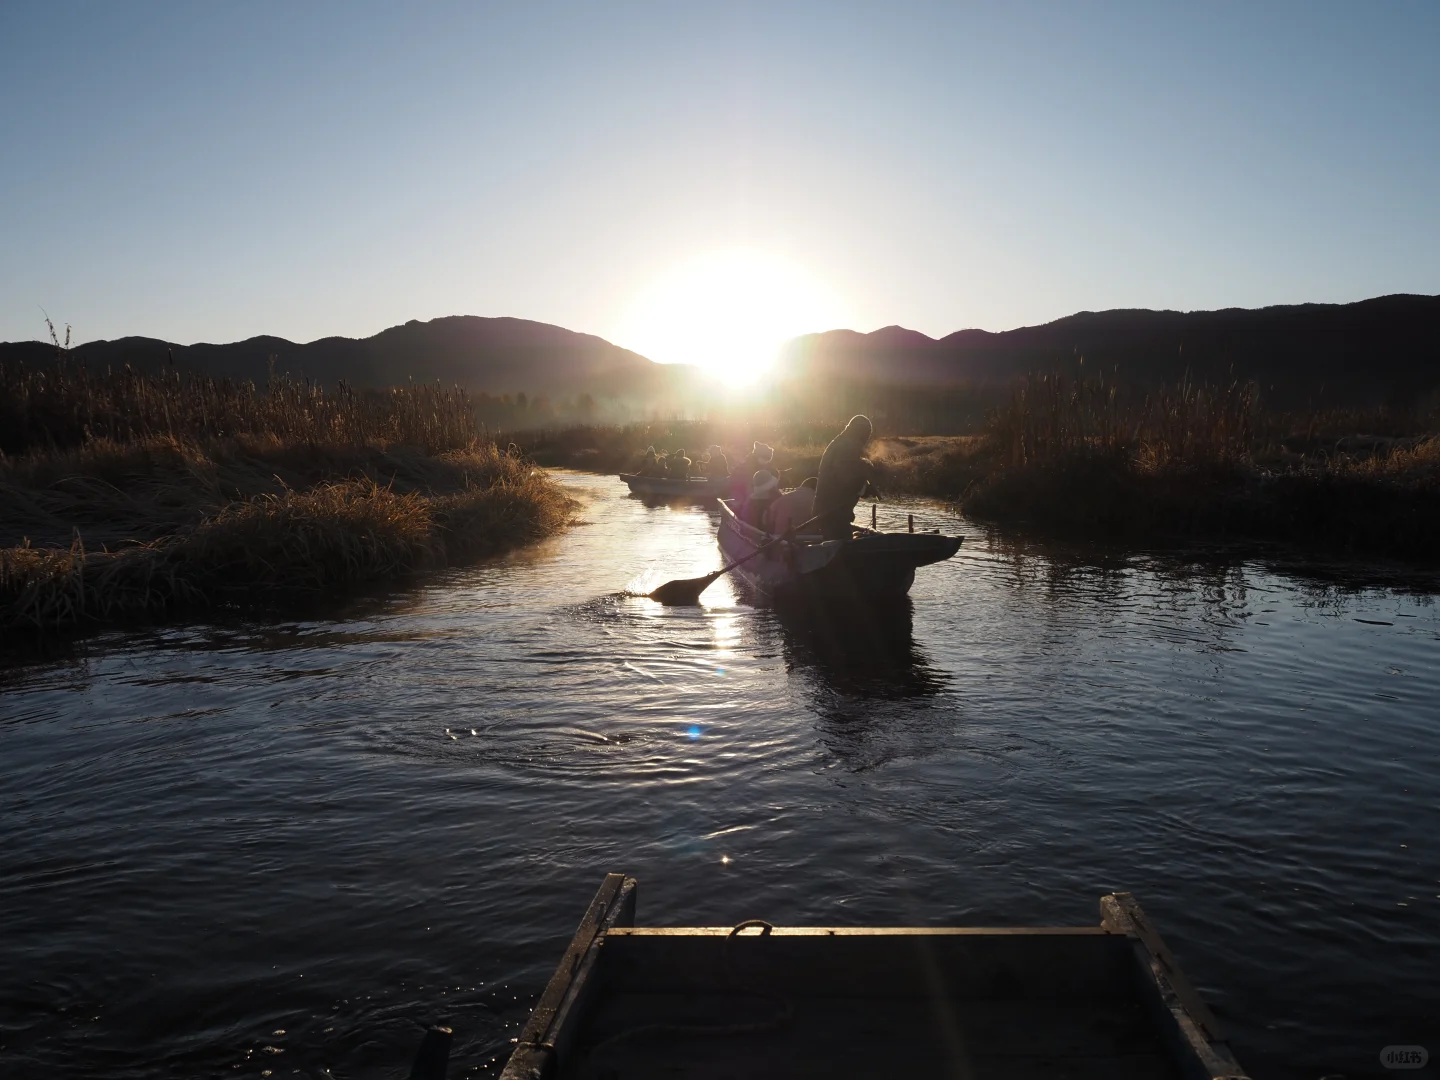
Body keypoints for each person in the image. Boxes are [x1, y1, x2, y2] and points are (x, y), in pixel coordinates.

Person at [812, 415, 876, 540]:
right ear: (860, 432)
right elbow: (847, 479)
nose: (867, 438)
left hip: (829, 510)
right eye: (866, 434)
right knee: (841, 546)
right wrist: (865, 488)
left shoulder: (842, 443)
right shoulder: (847, 446)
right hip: (833, 511)